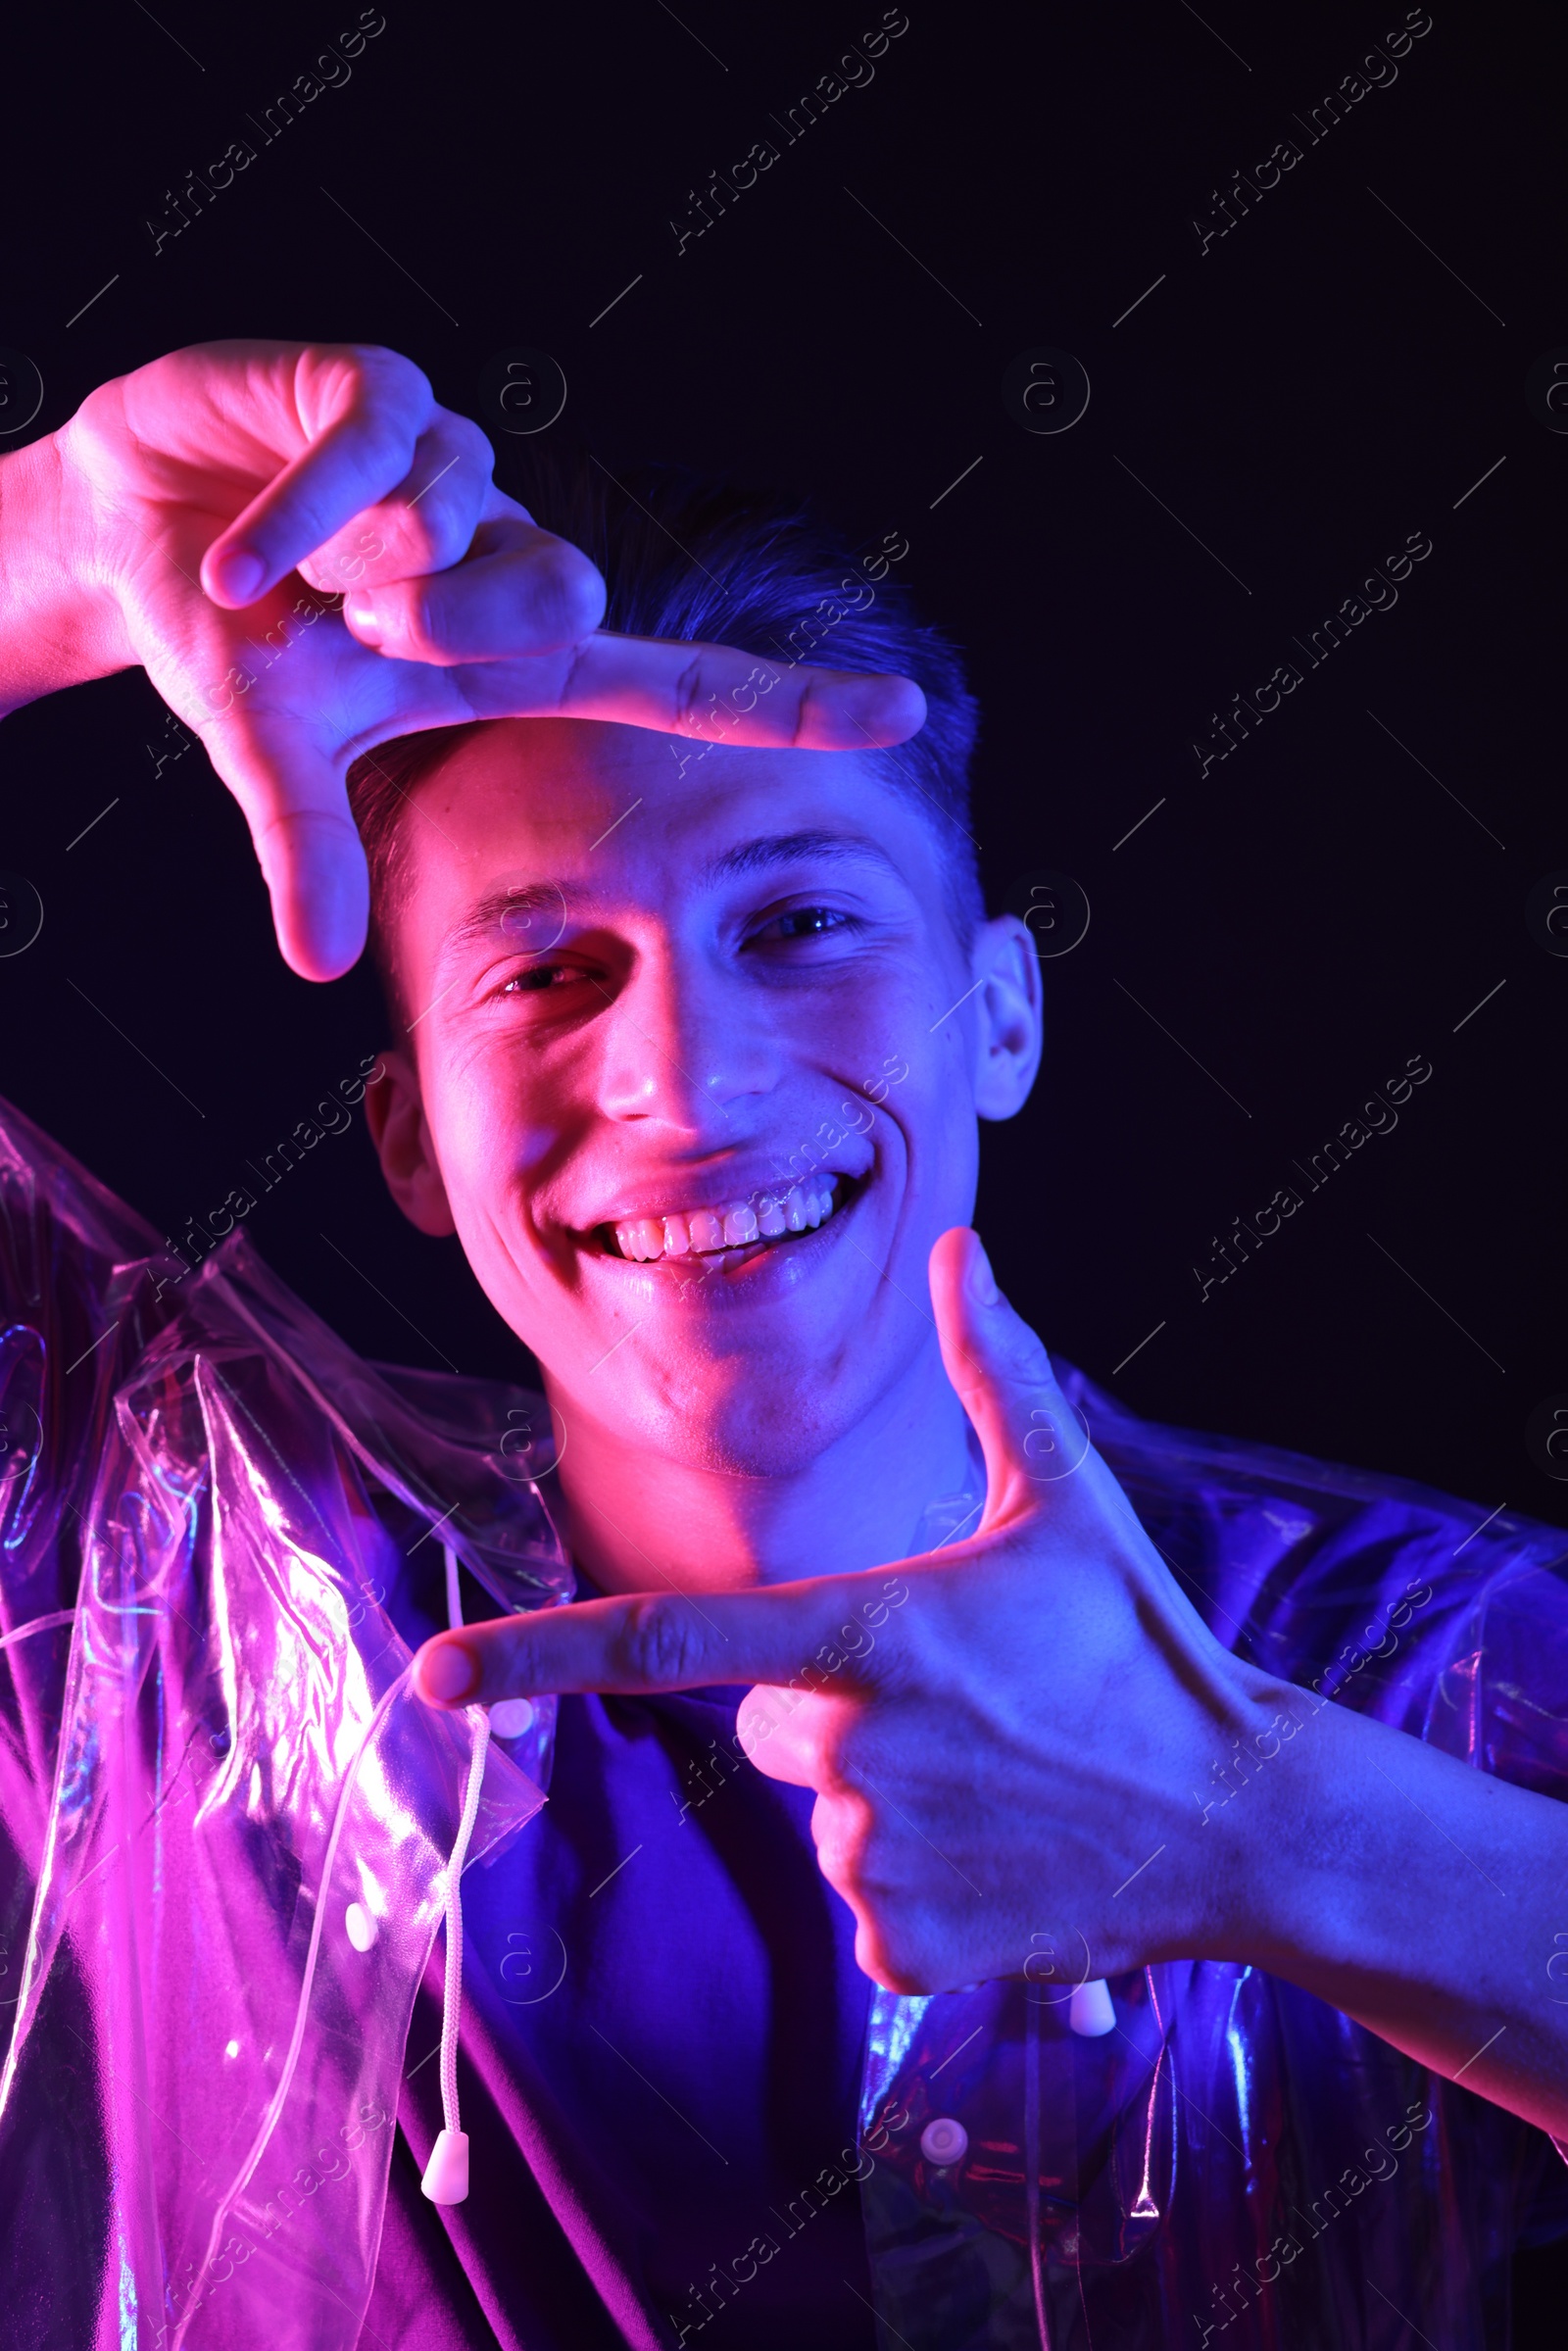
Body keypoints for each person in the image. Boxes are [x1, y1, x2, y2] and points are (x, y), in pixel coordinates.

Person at [0, 340, 1564, 2351]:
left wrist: (1271, 1829)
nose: (684, 1081)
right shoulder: (180, 1598)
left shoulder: (1432, 1667)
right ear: (404, 1133)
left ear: (998, 1016)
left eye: (796, 925)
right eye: (551, 970)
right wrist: (40, 552)